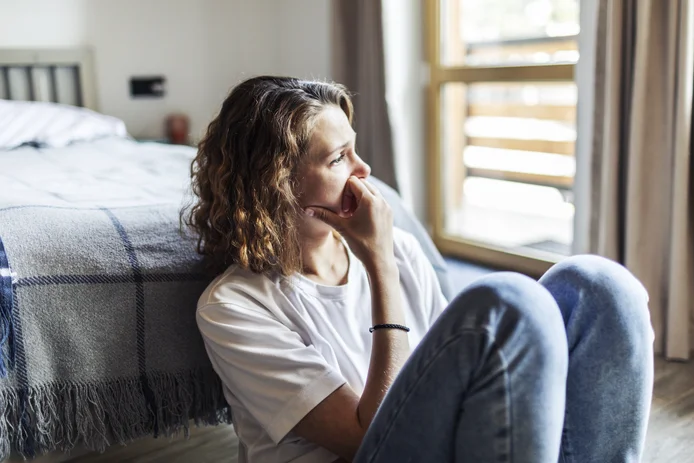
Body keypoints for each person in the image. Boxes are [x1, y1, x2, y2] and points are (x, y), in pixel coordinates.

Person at [183, 76, 654, 463]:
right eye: (337, 158)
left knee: (598, 285)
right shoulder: (234, 306)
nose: (363, 169)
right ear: (277, 184)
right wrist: (380, 265)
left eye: (355, 148)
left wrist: (386, 255)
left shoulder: (400, 246)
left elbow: (457, 371)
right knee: (511, 302)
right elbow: (363, 438)